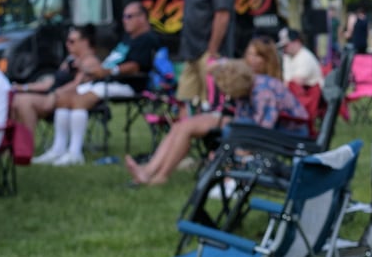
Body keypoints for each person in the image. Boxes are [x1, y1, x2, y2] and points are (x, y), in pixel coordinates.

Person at [125, 58, 307, 187]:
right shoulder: (249, 82)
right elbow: (219, 66)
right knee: (182, 125)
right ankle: (149, 170)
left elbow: (262, 130)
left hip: (287, 133)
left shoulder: (263, 92)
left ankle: (160, 175)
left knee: (188, 127)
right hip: (258, 125)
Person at [36, 3, 160, 166]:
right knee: (64, 99)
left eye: (129, 16)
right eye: (123, 16)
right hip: (105, 79)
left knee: (79, 100)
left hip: (127, 84)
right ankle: (58, 149)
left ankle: (75, 153)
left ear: (143, 18)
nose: (124, 20)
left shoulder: (147, 39)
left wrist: (109, 72)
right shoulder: (128, 38)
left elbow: (136, 66)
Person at [9, 24, 97, 143]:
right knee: (15, 99)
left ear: (84, 42)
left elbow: (77, 84)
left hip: (64, 99)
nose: (67, 44)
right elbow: (51, 82)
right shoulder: (70, 59)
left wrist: (55, 93)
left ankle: (26, 146)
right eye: (67, 41)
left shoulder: (89, 62)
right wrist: (24, 87)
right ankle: (14, 145)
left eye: (72, 41)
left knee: (24, 102)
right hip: (52, 96)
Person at [177, 0, 235, 107]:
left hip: (209, 53)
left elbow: (222, 15)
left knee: (210, 101)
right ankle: (183, 131)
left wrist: (212, 50)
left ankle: (207, 132)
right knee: (184, 99)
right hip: (191, 53)